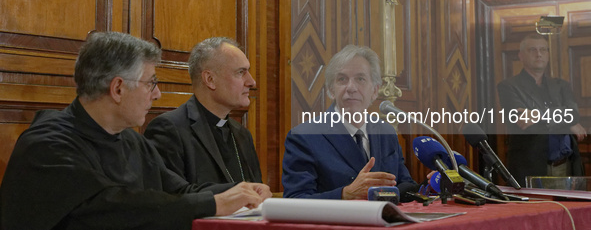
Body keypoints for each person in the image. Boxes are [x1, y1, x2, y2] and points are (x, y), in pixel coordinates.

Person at [0, 32, 270, 230]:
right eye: (151, 83)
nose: (157, 94)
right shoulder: (47, 145)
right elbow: (113, 209)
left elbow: (178, 191)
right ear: (118, 89)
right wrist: (214, 204)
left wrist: (240, 191)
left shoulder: (131, 140)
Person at [282, 44, 417, 200]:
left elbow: (404, 185)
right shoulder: (304, 137)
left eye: (360, 79)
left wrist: (432, 186)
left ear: (374, 90)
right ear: (331, 90)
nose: (351, 88)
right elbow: (295, 201)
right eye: (342, 79)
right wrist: (345, 194)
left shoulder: (386, 132)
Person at [145, 37, 262, 186]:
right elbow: (172, 199)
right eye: (241, 72)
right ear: (210, 79)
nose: (252, 82)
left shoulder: (242, 134)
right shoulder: (169, 130)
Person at [497, 33, 586, 186]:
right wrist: (565, 121)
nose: (539, 54)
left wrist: (538, 114)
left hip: (566, 166)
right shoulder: (509, 86)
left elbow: (574, 115)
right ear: (521, 56)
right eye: (532, 50)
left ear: (548, 55)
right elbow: (523, 121)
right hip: (530, 168)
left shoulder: (561, 85)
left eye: (543, 50)